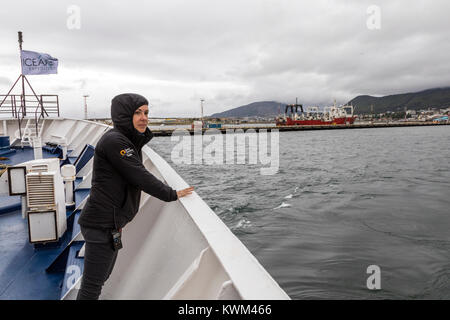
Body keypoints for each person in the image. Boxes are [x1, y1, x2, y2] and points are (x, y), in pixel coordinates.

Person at [77, 93, 194, 300]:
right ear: (123, 115)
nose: (144, 118)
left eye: (146, 113)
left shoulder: (125, 141)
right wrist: (171, 194)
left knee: (100, 280)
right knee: (91, 287)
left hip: (110, 224)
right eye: (137, 112)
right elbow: (139, 175)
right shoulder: (115, 141)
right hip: (100, 225)